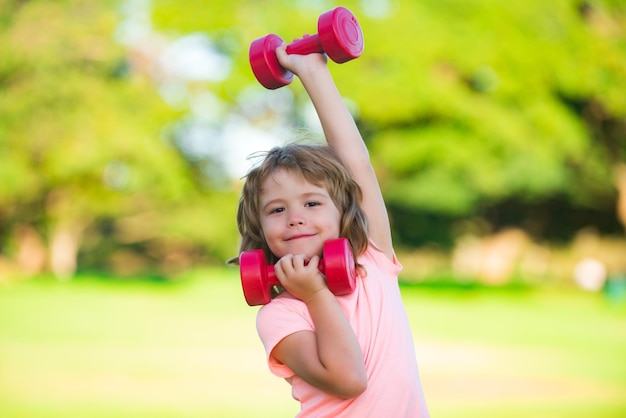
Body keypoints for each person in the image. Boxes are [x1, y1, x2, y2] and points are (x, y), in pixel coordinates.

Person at [231, 41, 430, 417]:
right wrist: (314, 293)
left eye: (311, 203)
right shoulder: (280, 315)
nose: (295, 217)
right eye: (277, 209)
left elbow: (357, 163)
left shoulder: (373, 258)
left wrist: (312, 70)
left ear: (343, 212)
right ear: (260, 226)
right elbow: (349, 379)